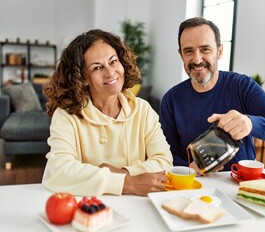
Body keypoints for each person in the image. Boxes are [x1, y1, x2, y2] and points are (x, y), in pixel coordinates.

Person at [159, 17, 265, 175]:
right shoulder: (171, 99)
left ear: (219, 51)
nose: (197, 60)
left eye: (205, 49)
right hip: (193, 184)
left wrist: (250, 123)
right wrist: (189, 170)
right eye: (189, 51)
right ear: (181, 54)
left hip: (240, 184)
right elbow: (165, 154)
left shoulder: (242, 86)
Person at [42, 29, 173, 196]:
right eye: (97, 67)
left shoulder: (143, 110)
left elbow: (164, 162)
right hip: (87, 206)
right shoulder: (66, 116)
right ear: (82, 78)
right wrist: (128, 183)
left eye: (113, 61)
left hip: (138, 205)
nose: (110, 73)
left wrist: (122, 173)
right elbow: (59, 171)